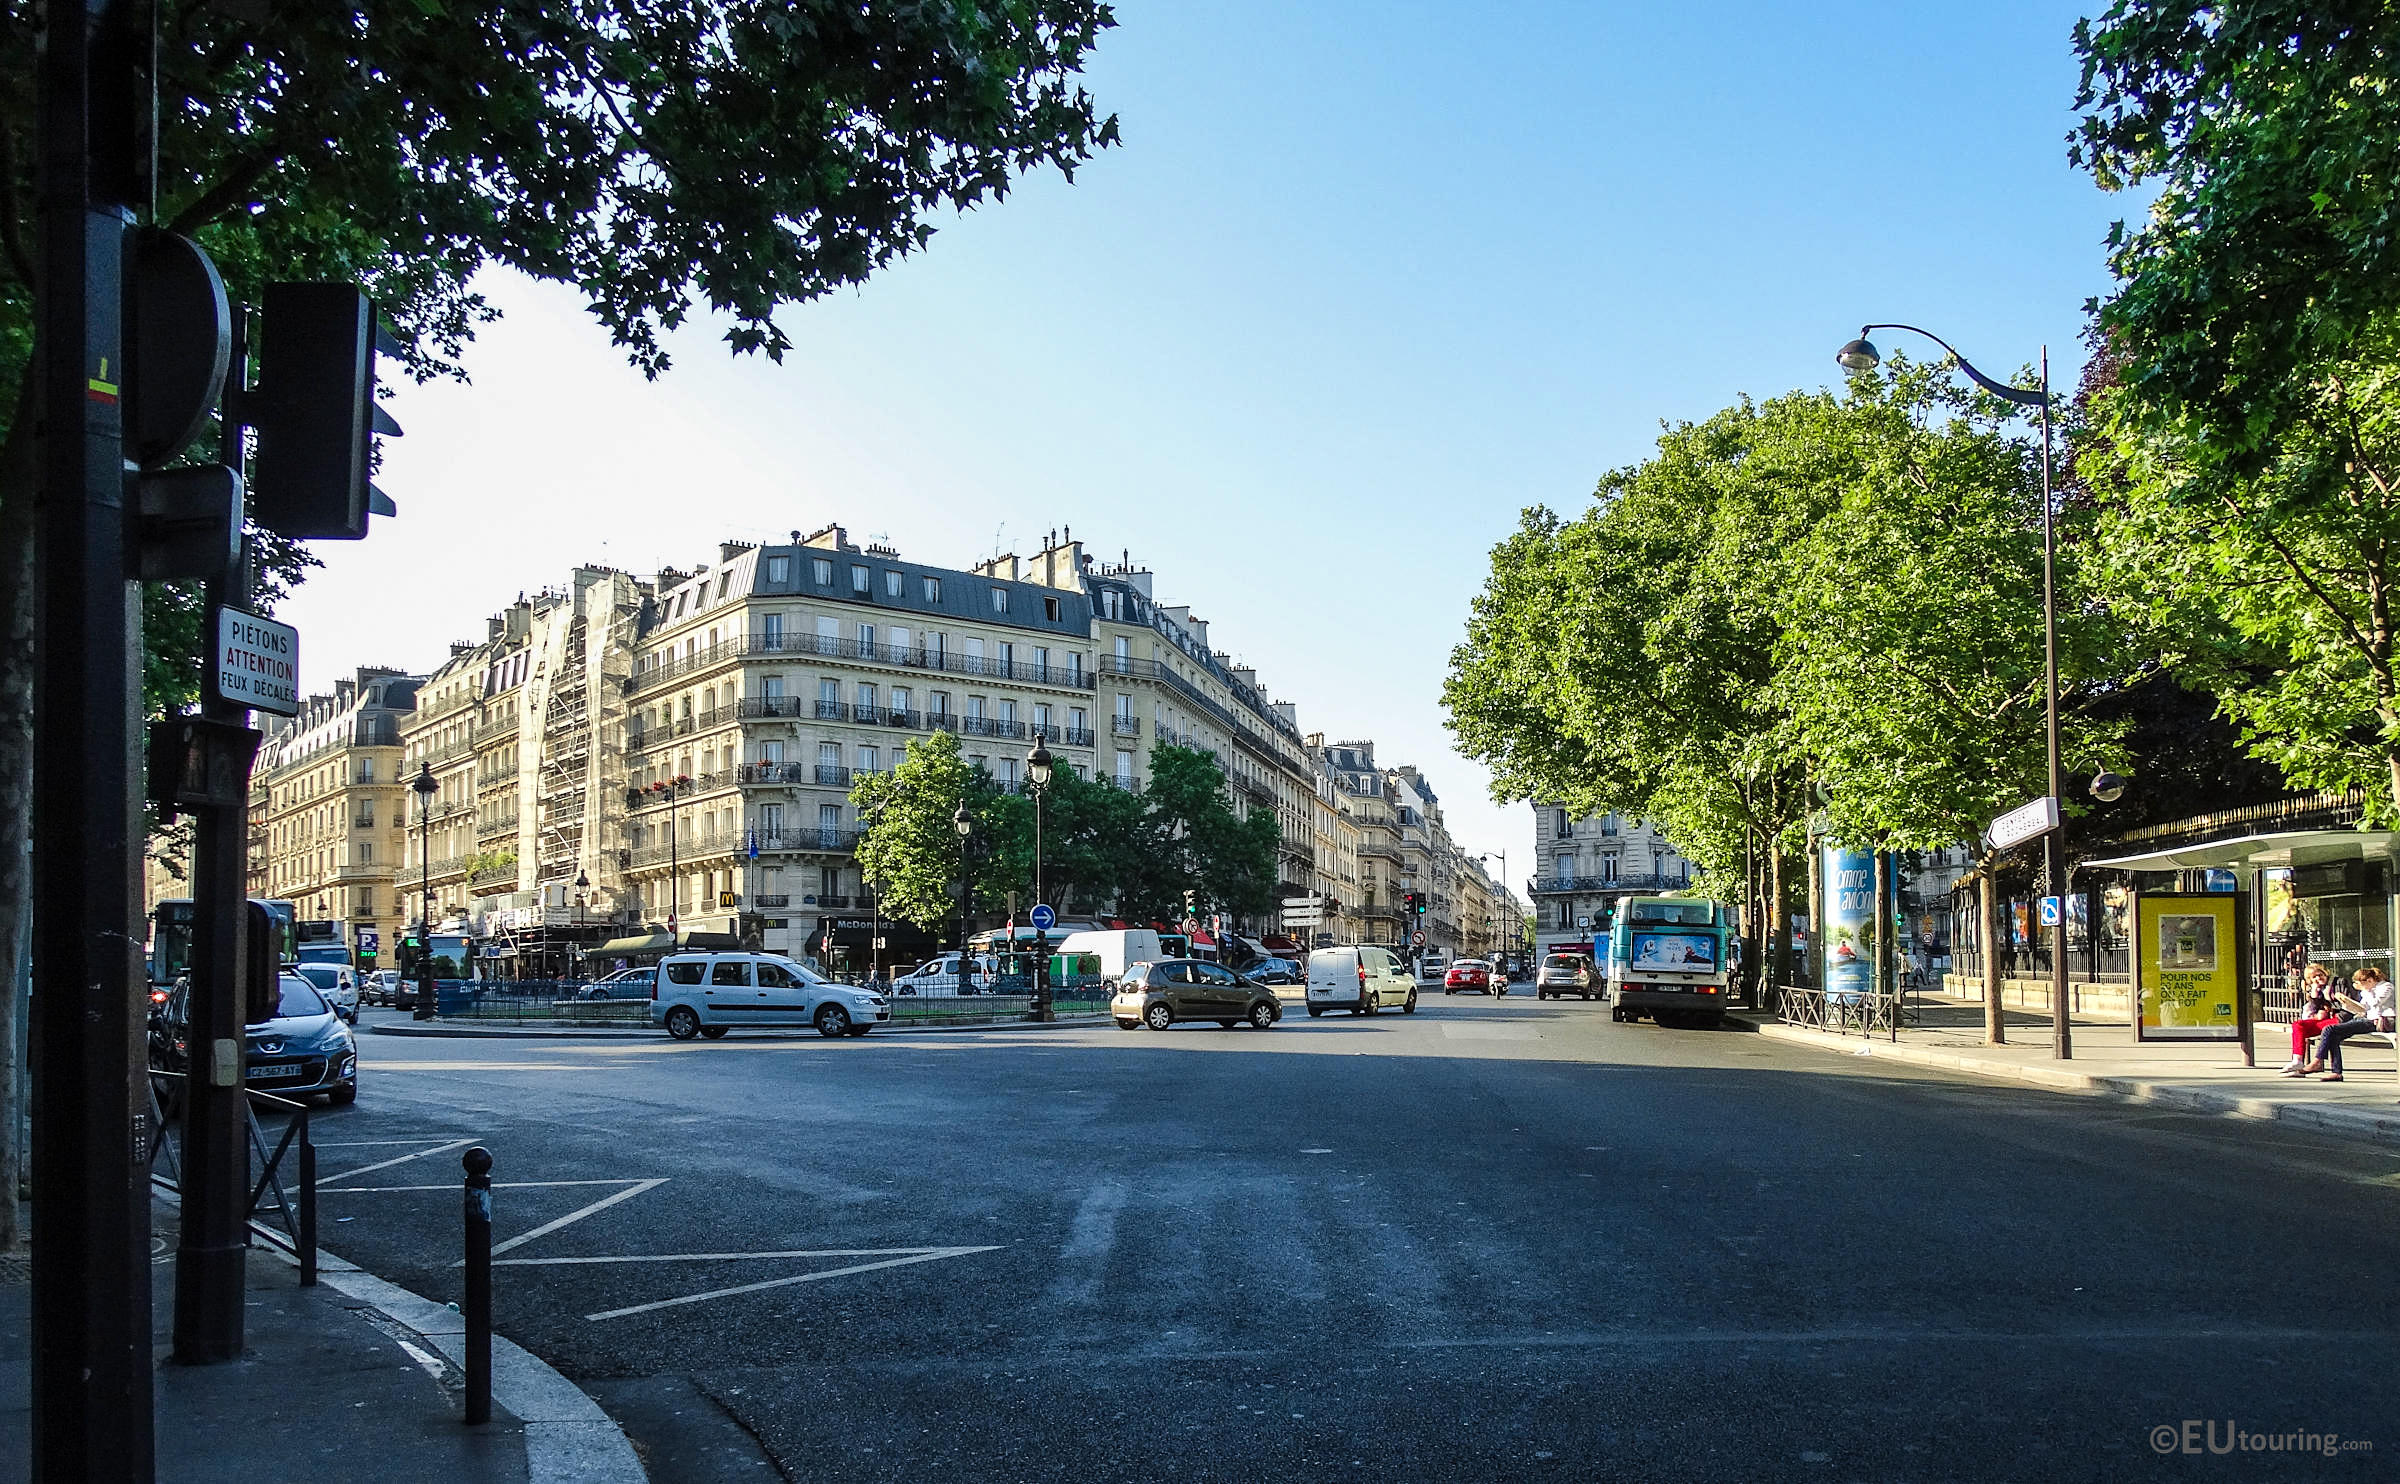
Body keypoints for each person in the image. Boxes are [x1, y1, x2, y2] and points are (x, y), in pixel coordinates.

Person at [2296, 965, 2396, 1082]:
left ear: (2370, 980)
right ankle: (2336, 1072)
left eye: (2361, 983)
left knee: (2329, 1029)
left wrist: (2366, 990)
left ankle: (2318, 1061)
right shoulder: (2368, 989)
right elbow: (2362, 1008)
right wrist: (2347, 1003)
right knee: (2334, 1035)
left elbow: (2375, 1003)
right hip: (2367, 1018)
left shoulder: (2386, 987)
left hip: (2381, 1021)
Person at [2280, 964, 2344, 1075]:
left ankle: (2316, 1062)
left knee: (2328, 1030)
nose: (2318, 979)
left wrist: (2328, 1010)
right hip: (2324, 1019)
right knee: (2298, 1025)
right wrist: (2314, 995)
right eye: (2314, 977)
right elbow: (2316, 1008)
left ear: (2325, 973)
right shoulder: (2317, 990)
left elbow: (2345, 1003)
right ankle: (2297, 1060)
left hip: (2339, 1018)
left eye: (2320, 975)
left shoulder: (2338, 983)